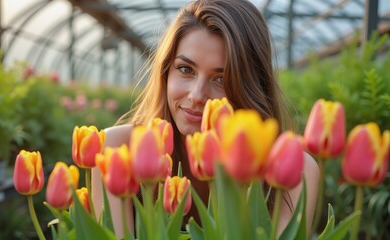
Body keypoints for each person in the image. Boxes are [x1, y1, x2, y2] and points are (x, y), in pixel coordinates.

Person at [92, 0, 319, 238]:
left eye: (221, 79)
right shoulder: (117, 150)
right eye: (185, 69)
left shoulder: (295, 168)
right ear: (166, 71)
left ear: (251, 87)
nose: (197, 95)